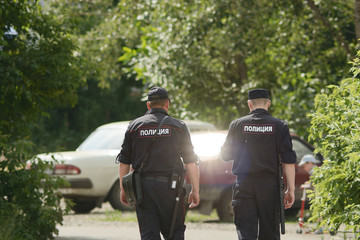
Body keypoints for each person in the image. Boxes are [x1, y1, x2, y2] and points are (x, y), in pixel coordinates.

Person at [117, 86, 200, 240]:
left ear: (148, 105)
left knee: (149, 235)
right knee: (175, 232)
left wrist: (124, 190)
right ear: (167, 104)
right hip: (171, 190)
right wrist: (195, 190)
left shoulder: (134, 127)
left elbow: (124, 162)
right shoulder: (178, 127)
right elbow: (190, 161)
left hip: (143, 190)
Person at [220, 89, 297, 240]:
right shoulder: (280, 126)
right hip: (270, 187)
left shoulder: (237, 125)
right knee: (270, 233)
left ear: (249, 104)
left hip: (244, 185)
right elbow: (288, 161)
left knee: (246, 233)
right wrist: (291, 190)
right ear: (268, 103)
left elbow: (225, 156)